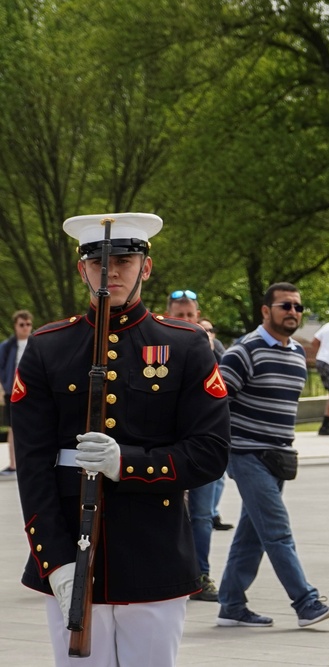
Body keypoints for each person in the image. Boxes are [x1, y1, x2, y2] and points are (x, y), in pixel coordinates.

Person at [11, 212, 230, 666]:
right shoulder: (49, 346)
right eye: (97, 262)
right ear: (82, 269)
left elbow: (209, 453)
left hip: (153, 555)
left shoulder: (186, 345)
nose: (109, 271)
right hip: (68, 551)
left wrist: (126, 463)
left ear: (145, 268)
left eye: (124, 261)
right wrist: (56, 561)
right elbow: (32, 465)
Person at [216, 282, 329, 629]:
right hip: (246, 453)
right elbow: (215, 402)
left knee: (252, 533)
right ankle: (306, 602)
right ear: (266, 311)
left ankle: (231, 605)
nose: (294, 313)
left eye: (298, 307)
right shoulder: (245, 351)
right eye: (285, 306)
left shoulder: (297, 353)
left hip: (279, 458)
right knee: (277, 530)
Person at [164, 290, 224, 602]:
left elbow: (223, 395)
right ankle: (169, 574)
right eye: (180, 315)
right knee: (166, 513)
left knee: (201, 515)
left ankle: (200, 575)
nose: (187, 321)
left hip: (201, 447)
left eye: (191, 315)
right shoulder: (156, 346)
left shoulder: (211, 348)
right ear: (168, 314)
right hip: (166, 450)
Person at [198, 315, 234, 531]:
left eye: (210, 330)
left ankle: (213, 513)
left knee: (218, 478)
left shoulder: (218, 349)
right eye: (204, 329)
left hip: (216, 428)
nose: (207, 333)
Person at [0, 309, 33, 476]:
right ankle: (13, 464)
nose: (25, 328)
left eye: (28, 324)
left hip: (33, 391)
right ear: (15, 326)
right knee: (13, 428)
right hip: (12, 391)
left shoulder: (37, 343)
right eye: (22, 325)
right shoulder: (7, 347)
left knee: (35, 426)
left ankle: (30, 463)